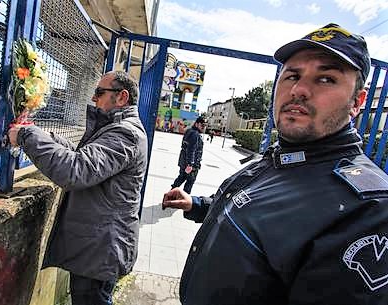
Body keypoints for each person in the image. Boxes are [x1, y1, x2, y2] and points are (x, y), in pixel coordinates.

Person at [162, 23, 388, 305]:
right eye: (292, 75)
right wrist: (196, 204)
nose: (300, 89)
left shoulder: (368, 210)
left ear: (358, 101)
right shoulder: (284, 156)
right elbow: (255, 214)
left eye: (326, 79)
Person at [8, 71, 148, 305]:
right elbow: (81, 155)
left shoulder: (126, 134)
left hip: (101, 250)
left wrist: (27, 136)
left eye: (100, 93)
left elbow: (76, 170)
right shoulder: (116, 128)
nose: (94, 99)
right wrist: (46, 136)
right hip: (98, 245)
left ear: (122, 97)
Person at [170, 116, 206, 194]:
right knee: (189, 182)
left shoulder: (189, 131)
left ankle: (170, 194)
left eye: (204, 125)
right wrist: (190, 164)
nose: (203, 127)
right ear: (196, 124)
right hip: (190, 164)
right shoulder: (195, 134)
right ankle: (183, 199)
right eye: (202, 125)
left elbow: (186, 147)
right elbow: (191, 149)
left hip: (183, 160)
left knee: (181, 178)